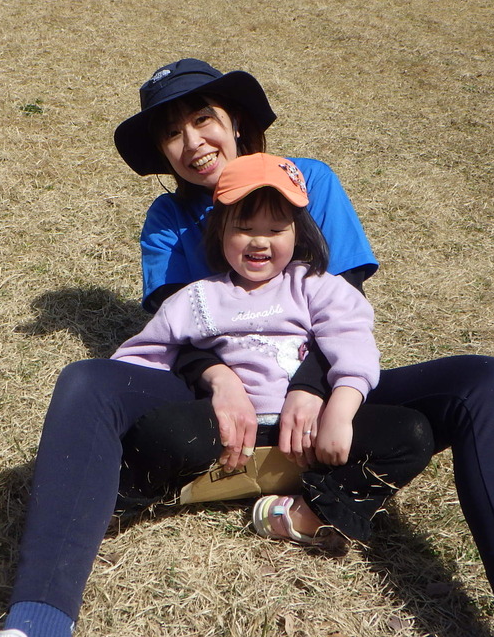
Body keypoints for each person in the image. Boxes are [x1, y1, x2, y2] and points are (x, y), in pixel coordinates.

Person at [0, 59, 494, 637]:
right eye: (172, 133)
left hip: (322, 394)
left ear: (237, 121)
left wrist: (313, 386)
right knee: (88, 380)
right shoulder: (169, 218)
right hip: (213, 405)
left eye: (203, 119)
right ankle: (38, 617)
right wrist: (220, 379)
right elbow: (179, 333)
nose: (192, 142)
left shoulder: (308, 181)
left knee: (488, 380)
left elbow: (342, 312)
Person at [112, 152, 434, 544]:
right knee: (163, 432)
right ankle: (119, 502)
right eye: (244, 227)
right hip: (230, 433)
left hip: (311, 435)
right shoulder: (198, 297)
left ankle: (311, 510)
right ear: (219, 230)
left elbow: (353, 342)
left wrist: (341, 411)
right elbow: (139, 360)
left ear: (298, 232)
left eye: (276, 229)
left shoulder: (316, 285)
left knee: (411, 434)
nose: (259, 241)